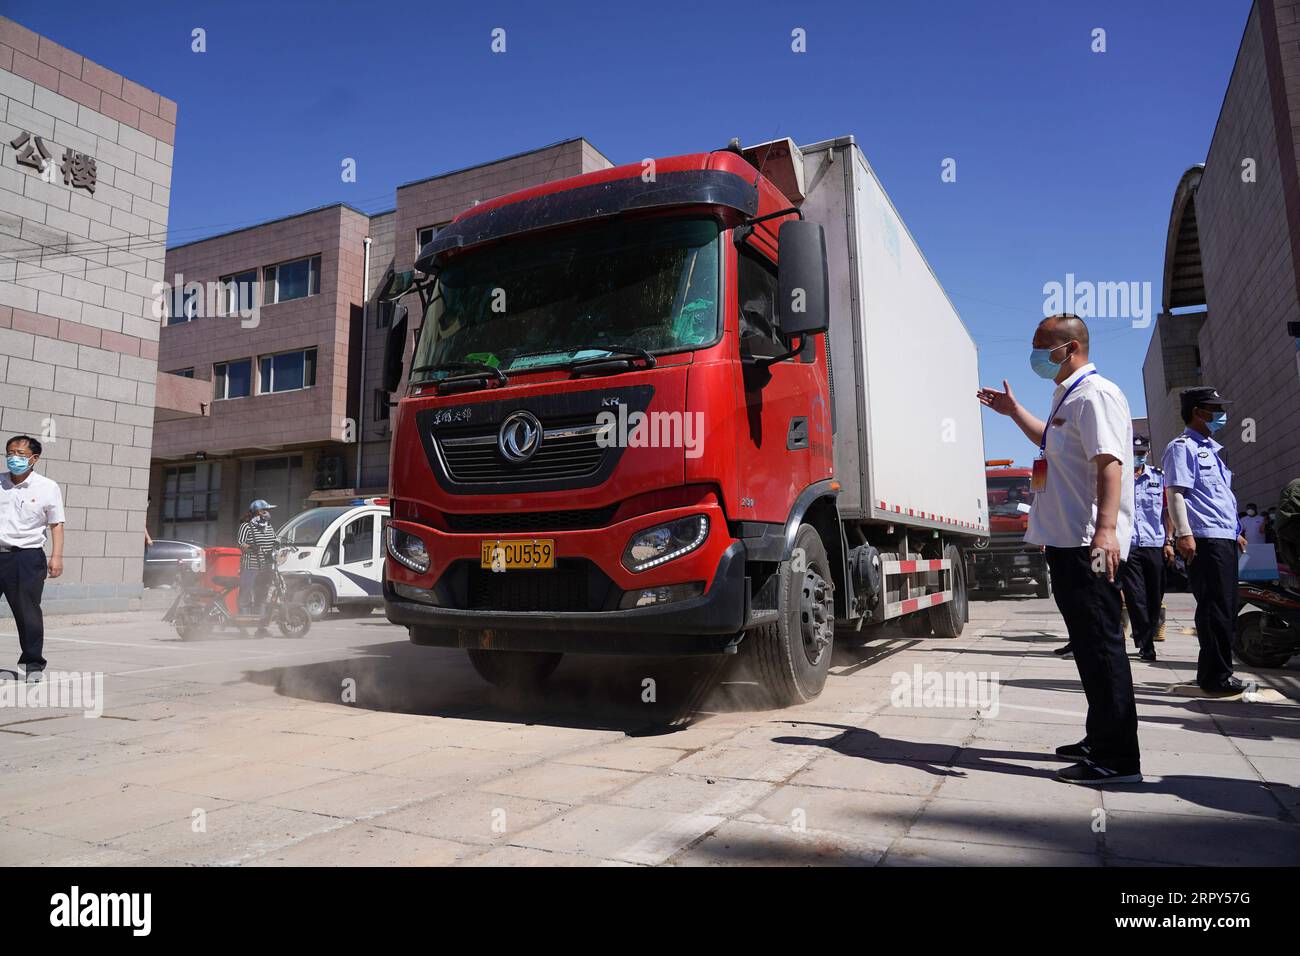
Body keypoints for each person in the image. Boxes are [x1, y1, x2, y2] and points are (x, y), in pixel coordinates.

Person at [978, 313, 1141, 785]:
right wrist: (1013, 412)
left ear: (1069, 349)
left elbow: (1110, 463)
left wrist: (1106, 531)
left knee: (1103, 646)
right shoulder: (1065, 396)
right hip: (1065, 540)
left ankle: (1118, 758)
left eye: (1040, 347)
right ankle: (1099, 738)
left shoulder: (1097, 395)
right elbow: (1047, 444)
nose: (1033, 355)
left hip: (1088, 542)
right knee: (1088, 648)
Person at [1160, 386, 1248, 695]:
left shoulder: (1213, 449)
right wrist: (1184, 534)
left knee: (1227, 607)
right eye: (1215, 409)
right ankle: (1215, 677)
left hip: (1222, 537)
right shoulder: (1181, 447)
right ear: (1199, 412)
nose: (1221, 414)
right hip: (1204, 538)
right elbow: (1176, 493)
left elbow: (1220, 498)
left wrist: (1235, 531)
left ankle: (1220, 671)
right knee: (1214, 608)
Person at [0, 436, 65, 682]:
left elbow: (56, 524)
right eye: (9, 452)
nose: (13, 458)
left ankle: (32, 665)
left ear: (34, 458)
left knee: (27, 613)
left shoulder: (48, 487)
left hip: (26, 558)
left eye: (19, 453)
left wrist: (56, 557)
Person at [1121, 436, 1169, 662]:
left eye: (1142, 451)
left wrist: (1169, 541)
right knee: (1135, 595)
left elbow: (1167, 512)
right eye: (1135, 451)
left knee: (1154, 596)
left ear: (1148, 453)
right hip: (1129, 545)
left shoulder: (1159, 478)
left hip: (1154, 544)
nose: (1138, 455)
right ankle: (1145, 643)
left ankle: (1147, 635)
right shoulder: (1119, 477)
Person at [237, 499, 279, 635]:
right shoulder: (246, 526)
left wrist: (277, 543)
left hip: (265, 566)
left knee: (262, 595)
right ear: (258, 512)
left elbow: (274, 539)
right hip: (250, 566)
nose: (268, 513)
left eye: (269, 510)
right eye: (265, 510)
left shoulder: (268, 526)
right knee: (245, 595)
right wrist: (251, 547)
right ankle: (242, 627)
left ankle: (261, 628)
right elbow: (241, 544)